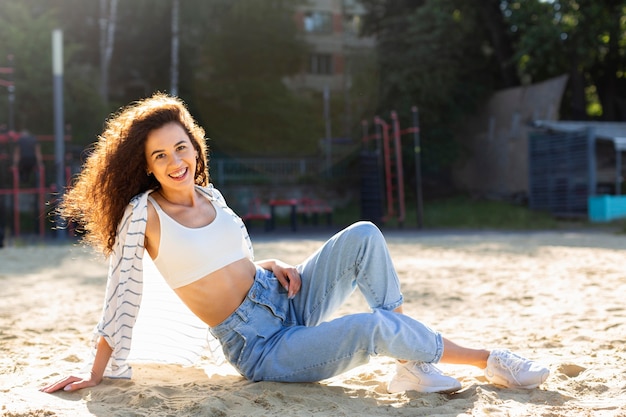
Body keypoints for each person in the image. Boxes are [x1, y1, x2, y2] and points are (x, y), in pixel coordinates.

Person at [41, 93, 549, 395]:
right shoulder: (142, 215)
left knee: (364, 236)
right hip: (261, 345)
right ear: (145, 166)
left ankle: (412, 365)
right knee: (371, 327)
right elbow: (122, 295)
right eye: (161, 157)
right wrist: (95, 372)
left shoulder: (208, 193)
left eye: (182, 147)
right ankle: (488, 360)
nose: (177, 163)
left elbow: (221, 260)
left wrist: (268, 263)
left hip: (279, 295)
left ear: (194, 146)